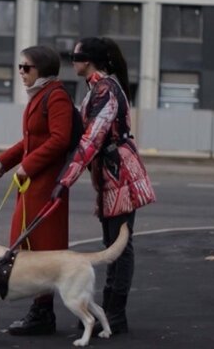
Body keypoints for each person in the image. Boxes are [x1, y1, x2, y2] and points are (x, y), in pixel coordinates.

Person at [56, 37, 156, 334]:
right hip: (111, 174)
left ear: (86, 61)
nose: (71, 61)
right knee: (113, 245)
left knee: (120, 247)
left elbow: (93, 138)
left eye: (74, 57)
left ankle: (115, 314)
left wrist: (66, 180)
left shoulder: (105, 90)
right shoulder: (97, 89)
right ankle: (110, 312)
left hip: (120, 175)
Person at [0, 45, 74, 336]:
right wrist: (5, 160)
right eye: (20, 67)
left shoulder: (57, 96)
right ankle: (41, 310)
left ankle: (43, 312)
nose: (21, 73)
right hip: (33, 185)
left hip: (46, 185)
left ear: (43, 69)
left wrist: (28, 164)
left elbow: (60, 139)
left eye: (27, 67)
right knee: (29, 245)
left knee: (43, 248)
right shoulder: (39, 95)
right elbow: (30, 140)